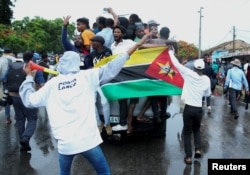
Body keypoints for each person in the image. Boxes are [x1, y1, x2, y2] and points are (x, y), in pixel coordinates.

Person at [19, 33, 151, 175]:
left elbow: (28, 101)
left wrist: (28, 78)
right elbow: (113, 67)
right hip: (88, 141)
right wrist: (135, 46)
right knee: (104, 172)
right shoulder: (87, 76)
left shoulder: (51, 85)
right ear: (77, 63)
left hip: (66, 145)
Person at [168, 48, 211, 164]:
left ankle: (188, 157)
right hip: (199, 109)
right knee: (196, 130)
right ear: (203, 68)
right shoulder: (206, 79)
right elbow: (207, 94)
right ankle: (197, 149)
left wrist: (170, 52)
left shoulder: (189, 74)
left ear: (195, 67)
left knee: (187, 133)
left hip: (188, 108)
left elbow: (176, 64)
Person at [7, 51, 45, 152]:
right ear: (32, 58)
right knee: (32, 119)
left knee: (20, 119)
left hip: (14, 96)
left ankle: (24, 144)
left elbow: (4, 78)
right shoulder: (34, 67)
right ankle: (25, 138)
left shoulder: (14, 66)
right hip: (28, 98)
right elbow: (41, 84)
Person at [0, 48, 15, 124]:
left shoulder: (1, 60)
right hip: (15, 83)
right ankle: (17, 116)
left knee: (6, 99)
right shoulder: (14, 59)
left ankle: (7, 117)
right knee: (15, 99)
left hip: (5, 82)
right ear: (11, 52)